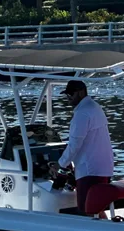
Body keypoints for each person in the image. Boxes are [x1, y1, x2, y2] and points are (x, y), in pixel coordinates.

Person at [48, 79, 114, 214]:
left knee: (86, 210)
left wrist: (60, 164)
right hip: (103, 168)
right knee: (98, 208)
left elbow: (75, 144)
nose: (68, 98)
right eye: (67, 95)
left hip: (89, 171)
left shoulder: (82, 113)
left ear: (81, 93)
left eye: (71, 94)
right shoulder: (95, 107)